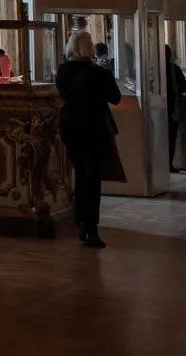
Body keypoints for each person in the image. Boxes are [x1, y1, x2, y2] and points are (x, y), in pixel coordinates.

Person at [56, 30, 121, 248]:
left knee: (81, 174)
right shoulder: (98, 73)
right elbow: (116, 98)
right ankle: (90, 226)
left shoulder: (63, 71)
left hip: (70, 128)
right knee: (92, 179)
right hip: (94, 128)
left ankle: (80, 218)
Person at [165, 45, 186, 173]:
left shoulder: (153, 69)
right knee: (171, 138)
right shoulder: (175, 70)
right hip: (172, 108)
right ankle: (169, 163)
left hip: (158, 108)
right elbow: (184, 85)